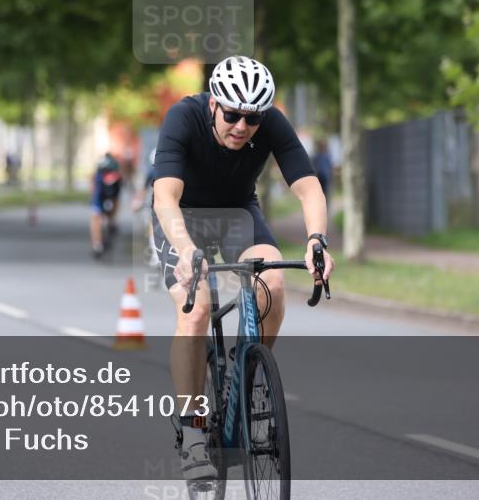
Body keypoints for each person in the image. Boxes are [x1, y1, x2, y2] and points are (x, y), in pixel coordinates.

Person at [151, 55, 336, 481]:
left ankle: (251, 373)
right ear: (214, 103)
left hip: (238, 212)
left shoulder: (271, 124)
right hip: (183, 216)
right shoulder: (183, 117)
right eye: (232, 115)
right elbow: (165, 199)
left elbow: (309, 189)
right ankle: (193, 430)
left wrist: (316, 240)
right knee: (196, 310)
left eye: (251, 119)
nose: (241, 126)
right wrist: (184, 249)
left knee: (272, 278)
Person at [89, 152, 123, 259]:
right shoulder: (116, 170)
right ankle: (111, 222)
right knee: (107, 211)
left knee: (95, 217)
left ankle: (97, 244)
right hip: (109, 196)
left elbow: (94, 188)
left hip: (100, 197)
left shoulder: (98, 173)